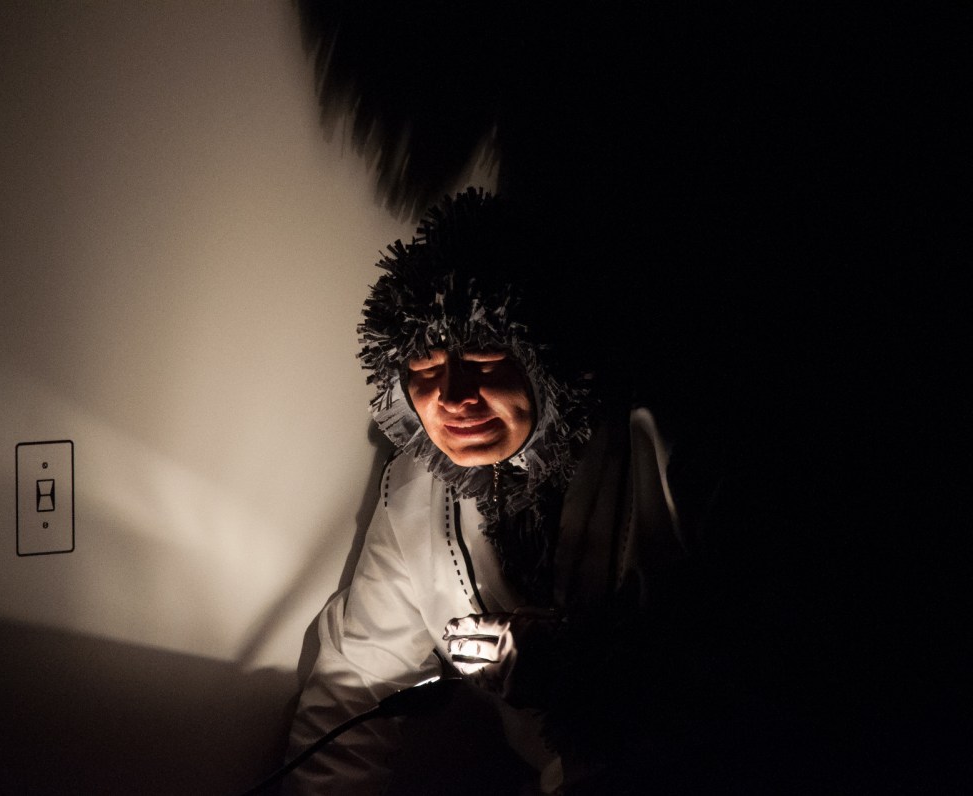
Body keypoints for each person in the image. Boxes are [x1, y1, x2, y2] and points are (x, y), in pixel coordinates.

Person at [285, 188, 723, 794]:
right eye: (424, 368)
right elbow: (353, 685)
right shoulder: (415, 493)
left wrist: (580, 669)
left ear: (546, 356)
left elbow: (756, 666)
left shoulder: (665, 450)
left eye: (485, 358)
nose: (453, 397)